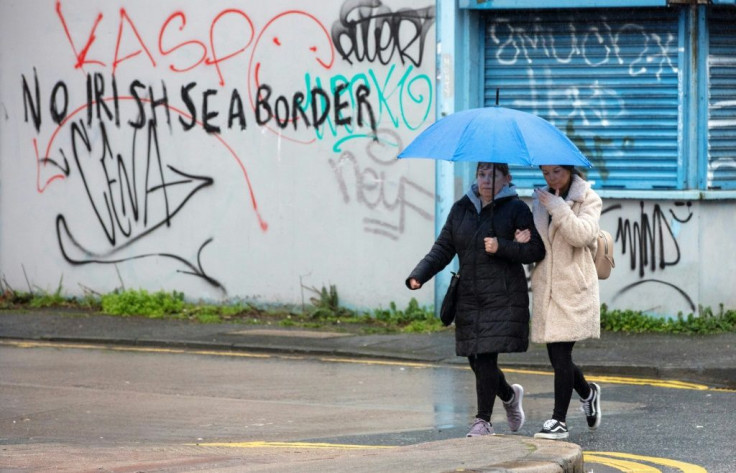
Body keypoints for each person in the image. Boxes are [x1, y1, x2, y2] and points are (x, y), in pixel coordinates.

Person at [406, 162, 545, 437]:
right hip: (469, 295)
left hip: (502, 296)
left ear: (507, 179)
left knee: (485, 358)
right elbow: (443, 247)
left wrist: (503, 246)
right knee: (474, 358)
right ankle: (508, 395)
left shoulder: (516, 209)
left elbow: (535, 249)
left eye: (493, 175)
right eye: (481, 174)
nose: (485, 181)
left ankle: (483, 421)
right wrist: (419, 274)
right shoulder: (461, 208)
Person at [517, 164, 603, 440]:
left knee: (560, 355)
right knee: (558, 356)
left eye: (556, 172)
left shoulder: (588, 198)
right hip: (547, 288)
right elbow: (539, 246)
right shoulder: (541, 200)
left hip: (574, 287)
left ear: (569, 170)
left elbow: (582, 235)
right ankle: (588, 393)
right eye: (545, 173)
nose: (551, 178)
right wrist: (523, 239)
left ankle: (559, 420)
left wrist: (558, 206)